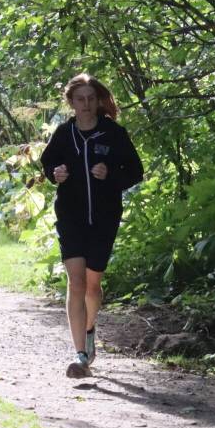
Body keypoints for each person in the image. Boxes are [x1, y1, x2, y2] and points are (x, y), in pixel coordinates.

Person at [41, 73, 144, 378]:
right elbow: (49, 164)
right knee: (76, 282)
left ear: (98, 101)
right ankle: (80, 354)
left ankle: (89, 329)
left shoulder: (113, 134)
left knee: (92, 284)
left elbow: (135, 171)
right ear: (71, 103)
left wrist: (109, 174)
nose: (85, 105)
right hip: (71, 216)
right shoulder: (63, 134)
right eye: (79, 99)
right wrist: (55, 173)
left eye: (90, 99)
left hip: (103, 217)